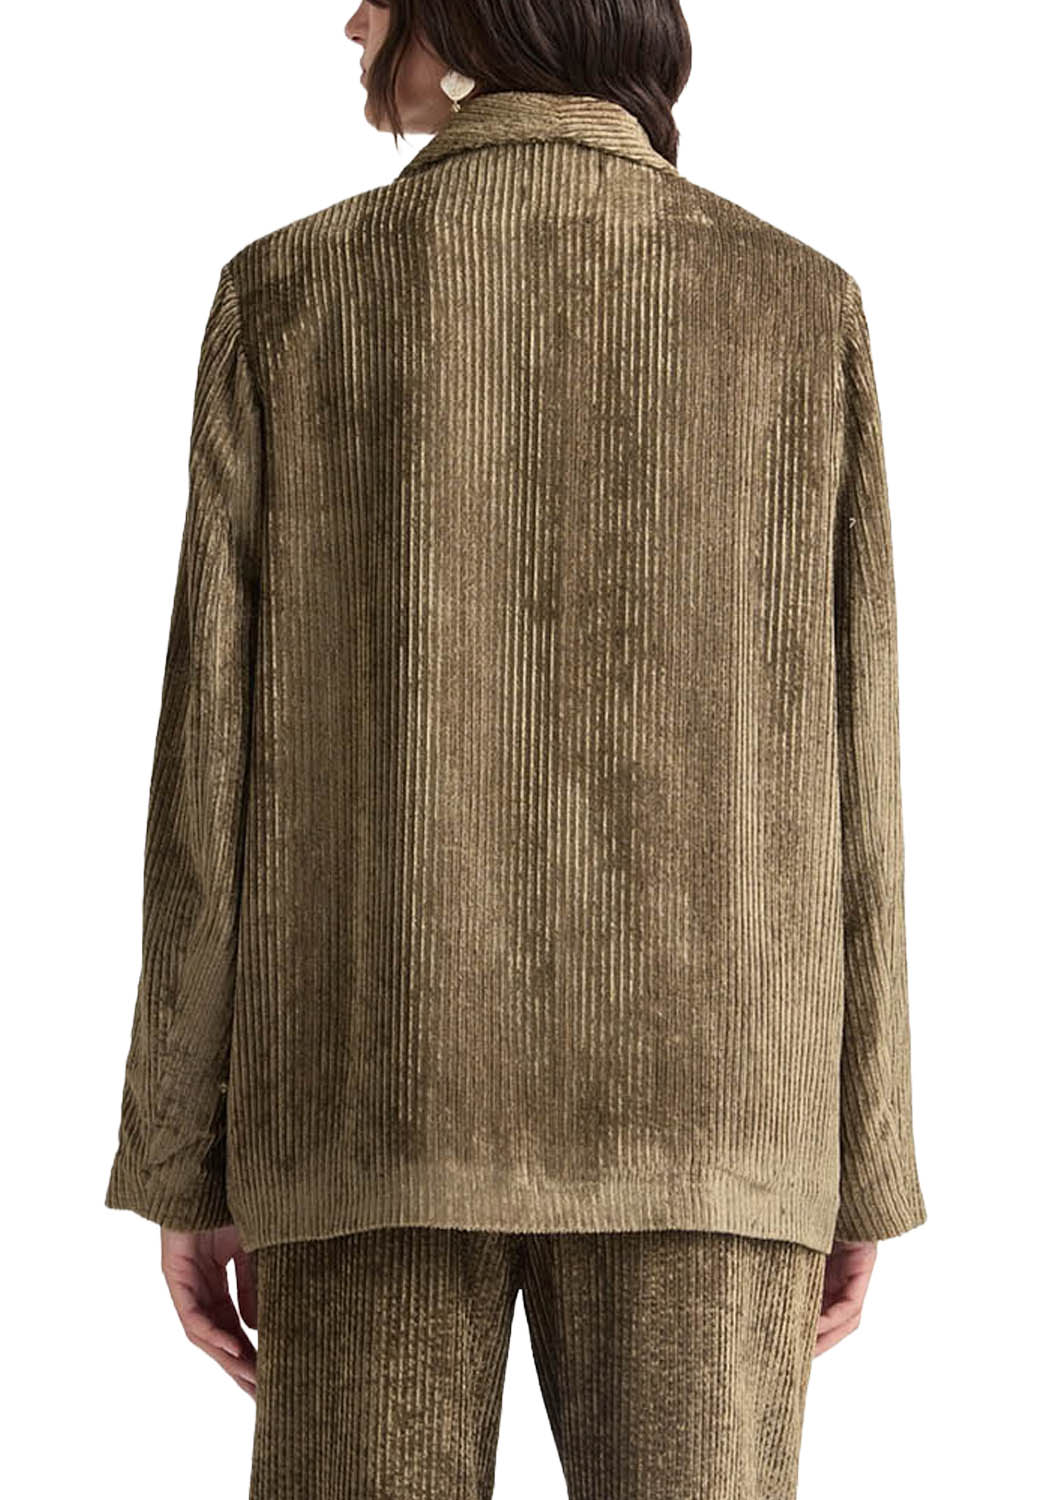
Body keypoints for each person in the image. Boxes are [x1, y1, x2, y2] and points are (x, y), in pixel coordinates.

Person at [104, 2, 928, 1495]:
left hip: (366, 1104)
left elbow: (205, 782)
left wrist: (185, 1152)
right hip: (720, 1117)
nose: (353, 19)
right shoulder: (795, 302)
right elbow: (855, 764)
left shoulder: (291, 295)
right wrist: (858, 1153)